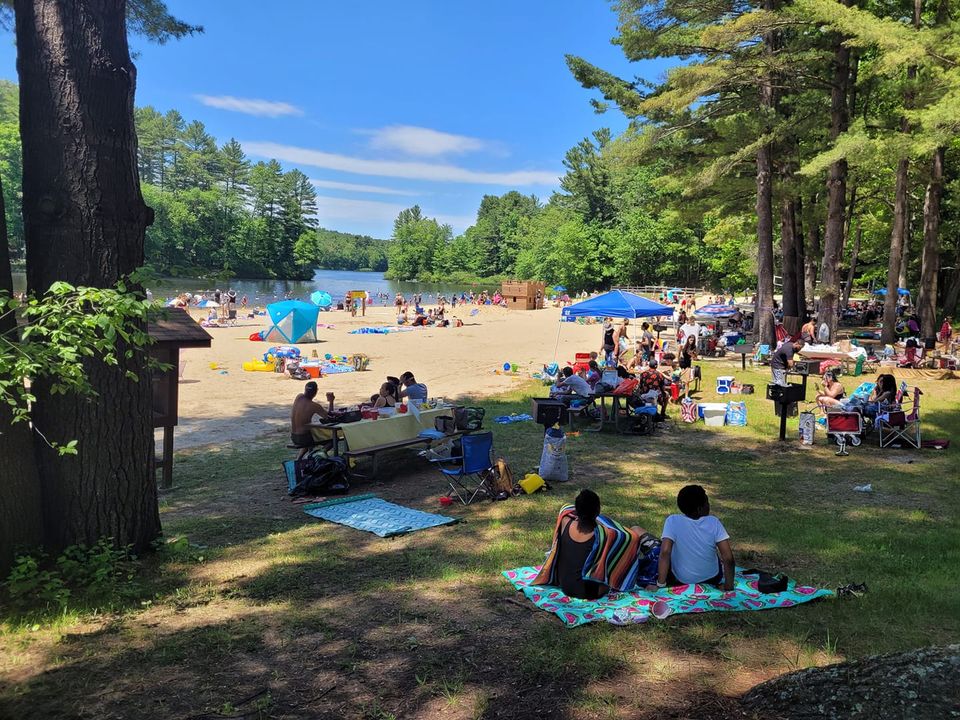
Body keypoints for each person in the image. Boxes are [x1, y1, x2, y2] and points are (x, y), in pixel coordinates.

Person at [648, 485, 734, 592]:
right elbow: (728, 558)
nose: (709, 505)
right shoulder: (714, 522)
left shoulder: (673, 521)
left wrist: (660, 585)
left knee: (659, 550)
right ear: (699, 508)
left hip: (681, 580)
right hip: (713, 578)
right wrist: (729, 586)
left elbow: (665, 552)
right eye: (707, 503)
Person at [290, 382, 335, 457]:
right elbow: (330, 417)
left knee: (308, 437)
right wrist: (331, 401)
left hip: (294, 437)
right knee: (334, 439)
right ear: (316, 391)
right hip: (304, 438)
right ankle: (320, 453)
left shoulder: (298, 397)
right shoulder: (314, 405)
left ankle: (298, 459)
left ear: (305, 390)